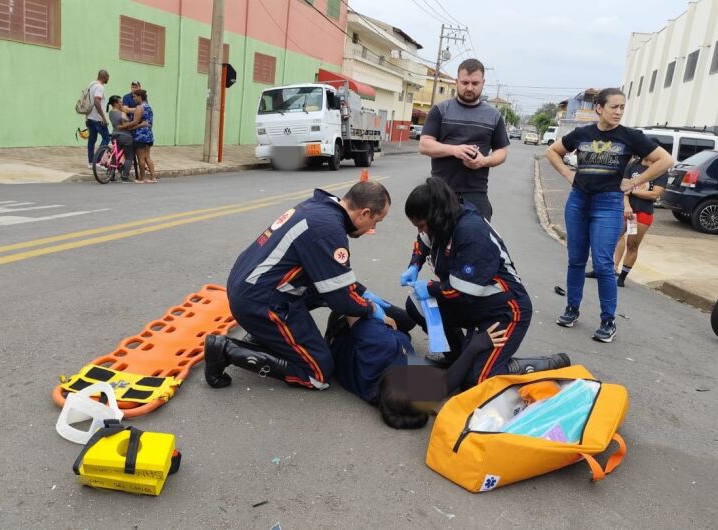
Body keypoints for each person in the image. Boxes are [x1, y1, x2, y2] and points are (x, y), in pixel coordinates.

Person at [204, 181, 393, 390]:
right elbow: (342, 301)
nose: (373, 228)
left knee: (327, 293)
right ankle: (225, 350)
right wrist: (372, 308)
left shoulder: (321, 208)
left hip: (249, 285)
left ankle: (263, 337)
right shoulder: (329, 230)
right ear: (365, 213)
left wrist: (362, 293)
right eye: (377, 221)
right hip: (259, 300)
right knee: (318, 373)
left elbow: (329, 275)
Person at [398, 177, 569, 390]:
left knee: (475, 382)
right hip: (474, 304)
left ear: (435, 216)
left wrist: (431, 287)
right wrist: (414, 264)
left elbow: (463, 292)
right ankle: (457, 356)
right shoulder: (443, 222)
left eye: (422, 225)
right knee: (416, 304)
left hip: (503, 310)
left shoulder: (471, 232)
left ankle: (542, 364)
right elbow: (422, 243)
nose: (420, 231)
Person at [546, 88, 674, 343]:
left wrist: (633, 183)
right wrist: (568, 174)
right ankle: (572, 309)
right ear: (599, 108)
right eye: (613, 107)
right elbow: (553, 152)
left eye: (622, 107)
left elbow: (664, 160)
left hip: (608, 204)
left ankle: (608, 320)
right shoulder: (582, 133)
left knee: (604, 263)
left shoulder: (630, 136)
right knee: (576, 259)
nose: (618, 112)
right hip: (579, 200)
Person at [418, 59, 510, 221]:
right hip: (440, 191)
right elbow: (424, 144)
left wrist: (484, 161)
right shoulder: (440, 110)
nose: (469, 88)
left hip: (476, 194)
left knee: (476, 244)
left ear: (483, 83)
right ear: (456, 82)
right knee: (434, 243)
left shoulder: (494, 116)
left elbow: (501, 151)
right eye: (464, 82)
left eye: (475, 83)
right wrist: (455, 150)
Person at [613, 151, 669, 287]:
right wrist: (626, 206)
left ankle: (622, 277)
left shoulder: (660, 170)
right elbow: (623, 187)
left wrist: (632, 191)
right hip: (627, 210)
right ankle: (610, 268)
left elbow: (655, 194)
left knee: (632, 244)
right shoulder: (633, 165)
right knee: (613, 237)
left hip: (641, 213)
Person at [124, 89, 156, 183]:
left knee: (140, 157)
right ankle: (153, 177)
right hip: (149, 134)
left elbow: (135, 121)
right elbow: (147, 122)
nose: (133, 98)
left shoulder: (139, 108)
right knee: (147, 157)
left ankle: (142, 178)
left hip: (140, 135)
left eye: (135, 96)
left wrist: (125, 126)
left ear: (140, 97)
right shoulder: (148, 107)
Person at [106, 95, 138, 182]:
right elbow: (126, 124)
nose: (121, 103)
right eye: (120, 102)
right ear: (115, 103)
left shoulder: (111, 112)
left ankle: (111, 175)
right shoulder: (122, 114)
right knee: (129, 157)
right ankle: (125, 176)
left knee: (114, 155)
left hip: (115, 135)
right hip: (125, 136)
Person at [85, 69, 110, 168]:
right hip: (97, 119)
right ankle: (98, 161)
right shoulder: (100, 87)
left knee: (92, 139)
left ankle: (91, 162)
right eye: (108, 78)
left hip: (89, 117)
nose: (108, 80)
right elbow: (97, 102)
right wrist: (103, 117)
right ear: (104, 77)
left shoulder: (91, 85)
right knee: (106, 137)